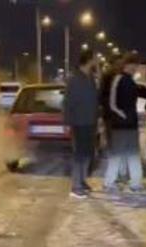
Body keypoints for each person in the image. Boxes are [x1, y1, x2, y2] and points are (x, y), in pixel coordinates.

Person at [103, 52, 144, 193]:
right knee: (117, 155)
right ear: (127, 65)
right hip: (120, 125)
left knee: (133, 155)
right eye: (134, 66)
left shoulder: (131, 81)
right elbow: (112, 103)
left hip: (130, 124)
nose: (135, 69)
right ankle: (109, 182)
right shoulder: (118, 79)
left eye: (136, 66)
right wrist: (123, 116)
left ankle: (136, 183)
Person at [64, 49, 100, 199]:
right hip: (79, 122)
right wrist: (67, 121)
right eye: (95, 59)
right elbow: (68, 102)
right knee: (79, 154)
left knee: (88, 154)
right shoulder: (74, 78)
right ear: (89, 60)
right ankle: (76, 186)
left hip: (90, 121)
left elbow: (95, 99)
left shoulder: (90, 77)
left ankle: (82, 180)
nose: (97, 61)